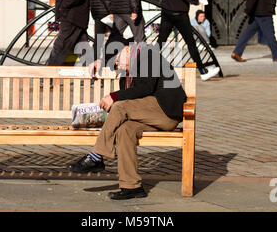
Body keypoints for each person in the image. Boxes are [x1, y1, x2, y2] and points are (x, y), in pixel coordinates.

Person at [68, 41, 187, 200]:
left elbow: (147, 88)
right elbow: (129, 96)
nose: (118, 66)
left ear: (126, 50)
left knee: (119, 107)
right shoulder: (127, 73)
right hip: (152, 115)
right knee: (125, 130)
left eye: (117, 62)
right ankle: (132, 186)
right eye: (115, 65)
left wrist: (113, 96)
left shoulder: (147, 54)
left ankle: (97, 156)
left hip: (166, 112)